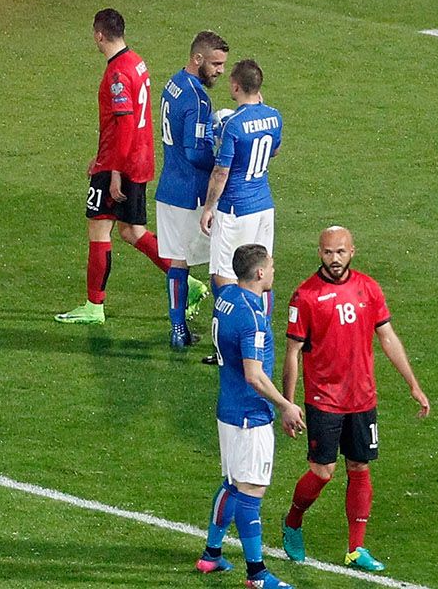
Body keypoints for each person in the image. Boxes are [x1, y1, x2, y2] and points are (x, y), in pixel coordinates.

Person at [281, 226, 431, 572]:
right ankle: (293, 521)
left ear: (352, 252)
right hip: (324, 399)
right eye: (328, 252)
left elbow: (387, 336)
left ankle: (356, 548)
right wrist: (288, 403)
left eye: (341, 252)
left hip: (362, 397)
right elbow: (292, 353)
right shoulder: (305, 296)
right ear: (319, 253)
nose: (334, 259)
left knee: (359, 467)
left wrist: (413, 384)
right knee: (323, 471)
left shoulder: (368, 288)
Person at [56, 8, 174, 326]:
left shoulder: (117, 73)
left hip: (120, 163)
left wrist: (114, 171)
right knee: (132, 231)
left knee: (98, 228)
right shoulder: (136, 61)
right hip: (139, 158)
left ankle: (94, 306)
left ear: (99, 35)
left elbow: (124, 125)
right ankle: (185, 283)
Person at [197, 243, 302, 587]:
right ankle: (257, 573)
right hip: (249, 416)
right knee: (251, 491)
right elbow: (254, 375)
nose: (273, 271)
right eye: (270, 266)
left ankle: (212, 554)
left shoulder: (226, 297)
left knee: (231, 483)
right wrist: (285, 405)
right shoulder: (252, 319)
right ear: (259, 273)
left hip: (227, 410)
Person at [156, 30, 225, 349]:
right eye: (215, 64)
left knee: (178, 262)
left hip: (169, 187)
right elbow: (195, 152)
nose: (220, 71)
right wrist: (222, 159)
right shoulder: (198, 99)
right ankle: (223, 333)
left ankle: (178, 329)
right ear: (198, 59)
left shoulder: (173, 83)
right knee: (220, 262)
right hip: (192, 192)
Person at [200, 59, 282, 289]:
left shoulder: (233, 124)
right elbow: (274, 150)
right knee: (260, 272)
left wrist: (208, 208)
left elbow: (220, 173)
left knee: (224, 273)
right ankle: (260, 314)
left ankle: (227, 314)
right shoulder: (274, 116)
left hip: (235, 209)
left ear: (236, 86)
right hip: (264, 206)